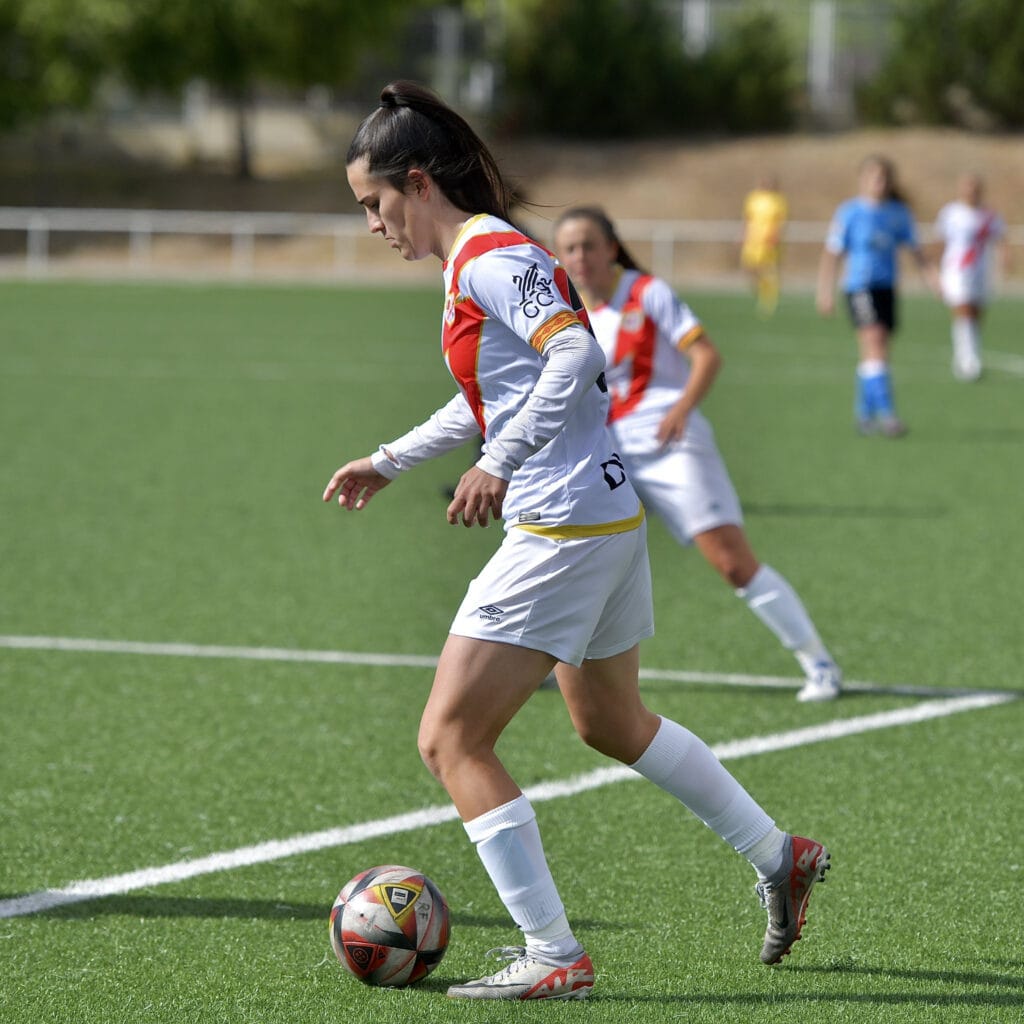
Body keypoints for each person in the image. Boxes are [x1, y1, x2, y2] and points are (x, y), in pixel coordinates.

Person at [324, 81, 831, 1002]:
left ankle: (553, 953)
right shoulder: (473, 261)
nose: (372, 224)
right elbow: (498, 392)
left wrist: (502, 461)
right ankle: (777, 853)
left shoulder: (488, 253)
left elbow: (573, 351)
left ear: (417, 182)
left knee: (449, 739)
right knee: (609, 721)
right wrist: (391, 459)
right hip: (600, 515)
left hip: (560, 524)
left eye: (373, 204)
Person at [552, 207, 842, 704]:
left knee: (731, 562)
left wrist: (683, 407)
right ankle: (543, 656)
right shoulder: (569, 312)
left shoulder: (648, 292)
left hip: (671, 446)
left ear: (611, 248)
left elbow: (706, 354)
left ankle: (819, 662)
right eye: (570, 249)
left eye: (589, 245)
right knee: (562, 543)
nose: (580, 257)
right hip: (608, 454)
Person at [816, 154, 940, 437]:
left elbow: (916, 251)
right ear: (862, 179)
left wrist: (934, 280)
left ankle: (863, 414)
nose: (879, 182)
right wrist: (825, 292)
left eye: (884, 177)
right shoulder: (849, 212)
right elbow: (832, 255)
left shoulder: (898, 213)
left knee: (875, 351)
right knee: (876, 342)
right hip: (859, 286)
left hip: (887, 287)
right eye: (874, 176)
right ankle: (888, 414)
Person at [934, 172, 1008, 381]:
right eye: (967, 186)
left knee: (976, 313)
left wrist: (1004, 261)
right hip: (957, 269)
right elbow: (940, 242)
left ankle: (967, 353)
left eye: (975, 186)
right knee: (963, 309)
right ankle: (968, 360)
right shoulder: (951, 213)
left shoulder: (989, 215)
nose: (971, 191)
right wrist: (935, 271)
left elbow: (1000, 239)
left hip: (981, 269)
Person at [741, 174, 788, 317]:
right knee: (749, 268)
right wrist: (742, 235)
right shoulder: (753, 198)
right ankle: (762, 291)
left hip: (768, 242)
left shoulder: (778, 200)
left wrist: (776, 235)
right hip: (752, 241)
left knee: (768, 270)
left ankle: (769, 300)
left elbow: (781, 221)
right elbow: (747, 219)